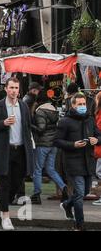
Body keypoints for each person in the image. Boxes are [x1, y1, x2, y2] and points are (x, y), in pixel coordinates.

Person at [0, 77, 34, 230]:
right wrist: (3, 123)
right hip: (5, 150)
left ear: (19, 90)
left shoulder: (24, 106)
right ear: (6, 89)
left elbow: (27, 126)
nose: (14, 91)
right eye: (11, 88)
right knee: (5, 182)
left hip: (20, 149)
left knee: (17, 182)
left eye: (16, 88)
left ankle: (3, 200)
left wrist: (31, 144)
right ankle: (5, 215)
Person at [55, 93, 101, 231]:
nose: (82, 107)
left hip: (88, 161)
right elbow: (57, 141)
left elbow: (99, 135)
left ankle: (67, 205)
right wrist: (73, 145)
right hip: (72, 162)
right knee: (80, 194)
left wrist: (97, 140)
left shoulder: (90, 120)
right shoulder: (65, 121)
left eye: (84, 104)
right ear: (73, 105)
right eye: (79, 104)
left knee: (85, 191)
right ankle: (79, 225)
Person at [31, 91, 68, 205]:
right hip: (53, 144)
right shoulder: (54, 110)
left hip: (43, 144)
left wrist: (30, 125)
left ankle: (37, 194)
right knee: (50, 169)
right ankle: (64, 188)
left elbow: (41, 129)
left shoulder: (40, 112)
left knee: (37, 169)